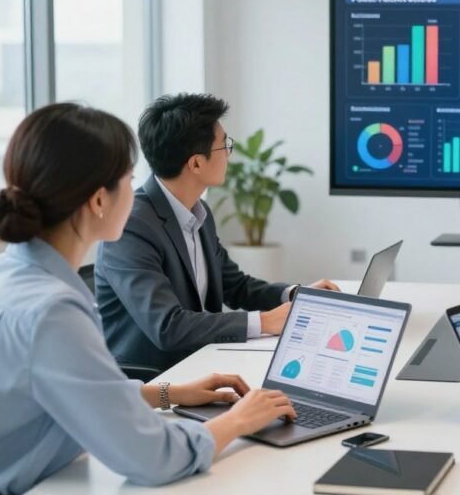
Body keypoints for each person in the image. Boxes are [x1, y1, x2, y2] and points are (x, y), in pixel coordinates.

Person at [0, 103, 297, 494]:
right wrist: (240, 419)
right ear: (99, 201)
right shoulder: (53, 311)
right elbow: (153, 458)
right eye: (128, 176)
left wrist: (165, 393)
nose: (137, 187)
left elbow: (72, 388)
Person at [96, 93, 339, 372]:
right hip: (157, 380)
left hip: (203, 362)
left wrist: (294, 294)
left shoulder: (198, 212)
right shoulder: (132, 226)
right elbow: (167, 326)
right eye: (225, 146)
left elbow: (234, 285)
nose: (230, 155)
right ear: (196, 163)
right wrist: (265, 321)